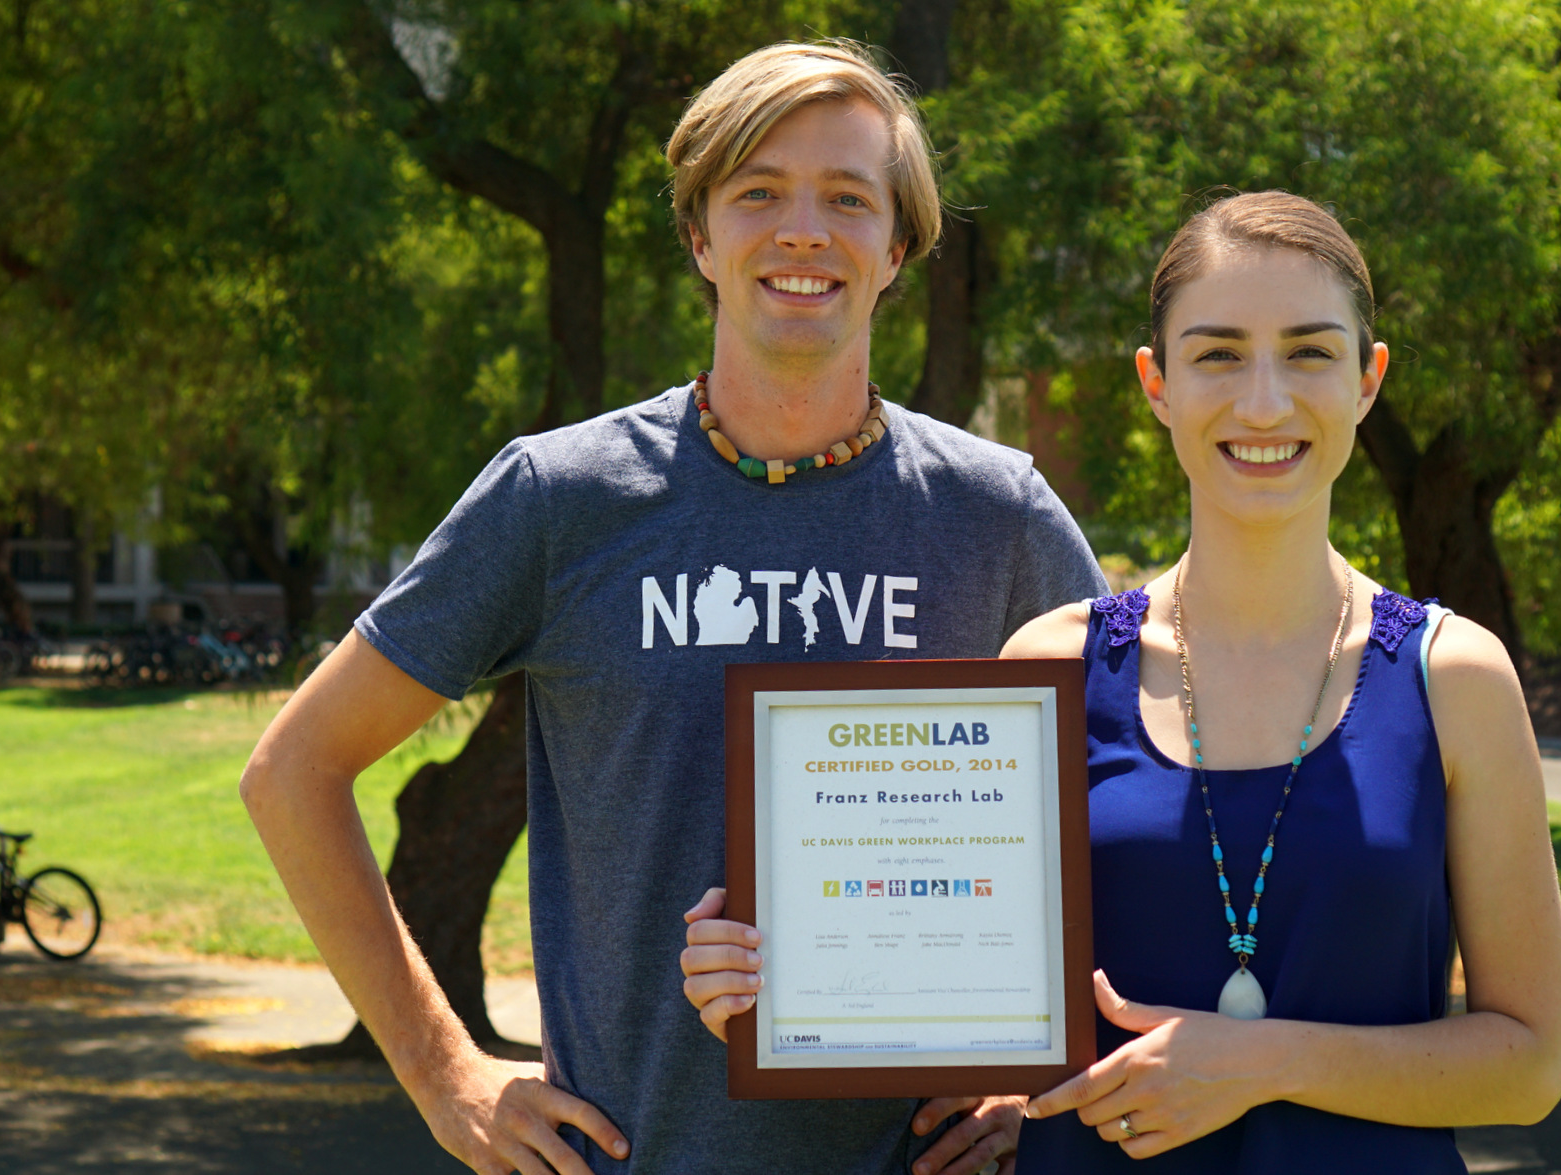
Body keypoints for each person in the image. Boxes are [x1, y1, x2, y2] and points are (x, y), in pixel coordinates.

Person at [239, 40, 1106, 1175]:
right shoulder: (562, 499)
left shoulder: (997, 515)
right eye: (757, 192)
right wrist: (443, 1069)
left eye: (847, 198)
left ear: (896, 247)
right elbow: (292, 771)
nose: (802, 230)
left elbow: (1134, 814)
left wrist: (1040, 1071)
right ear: (700, 234)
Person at [687, 191, 1561, 1172]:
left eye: (1310, 351)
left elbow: (1527, 1062)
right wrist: (774, 971)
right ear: (1156, 382)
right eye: (1218, 352)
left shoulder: (1453, 677)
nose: (1265, 401)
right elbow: (942, 971)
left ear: (1367, 380)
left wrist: (1260, 1061)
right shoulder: (1048, 669)